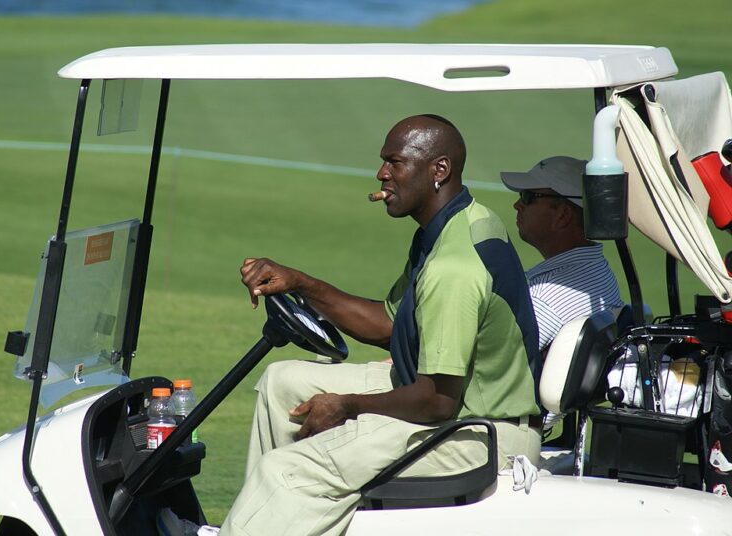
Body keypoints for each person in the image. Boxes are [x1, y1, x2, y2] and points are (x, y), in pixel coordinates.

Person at [222, 115, 541, 536]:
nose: (381, 174)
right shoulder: (455, 224)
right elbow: (387, 323)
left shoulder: (454, 268)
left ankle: (274, 505)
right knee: (282, 382)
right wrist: (300, 283)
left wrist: (348, 404)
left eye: (395, 162)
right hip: (449, 404)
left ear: (438, 171)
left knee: (285, 471)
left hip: (477, 434)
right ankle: (268, 519)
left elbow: (438, 403)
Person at [500, 156, 624, 351]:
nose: (517, 205)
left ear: (563, 215)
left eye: (528, 197)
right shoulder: (597, 268)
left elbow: (498, 360)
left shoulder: (545, 298)